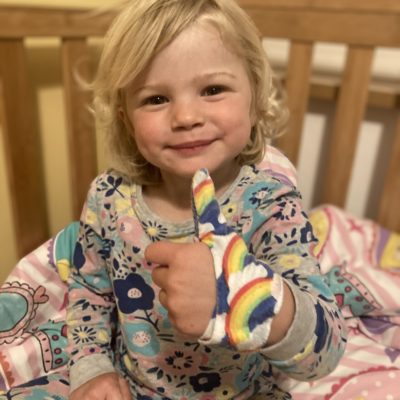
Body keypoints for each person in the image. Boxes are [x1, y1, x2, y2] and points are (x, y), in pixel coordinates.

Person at [67, 0, 347, 398]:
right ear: (126, 118)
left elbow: (326, 352)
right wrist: (92, 369)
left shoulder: (268, 201)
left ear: (255, 100)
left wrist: (250, 301)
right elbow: (88, 291)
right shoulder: (109, 198)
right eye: (155, 99)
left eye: (213, 90)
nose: (185, 117)